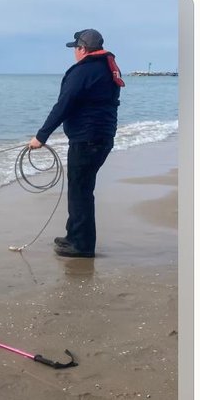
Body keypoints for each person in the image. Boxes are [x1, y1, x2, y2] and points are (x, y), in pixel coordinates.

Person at [28, 29, 124, 258]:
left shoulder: (83, 71)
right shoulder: (107, 67)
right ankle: (74, 236)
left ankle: (81, 246)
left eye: (76, 48)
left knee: (80, 191)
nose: (74, 53)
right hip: (102, 137)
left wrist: (41, 136)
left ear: (82, 49)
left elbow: (64, 104)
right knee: (81, 189)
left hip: (87, 140)